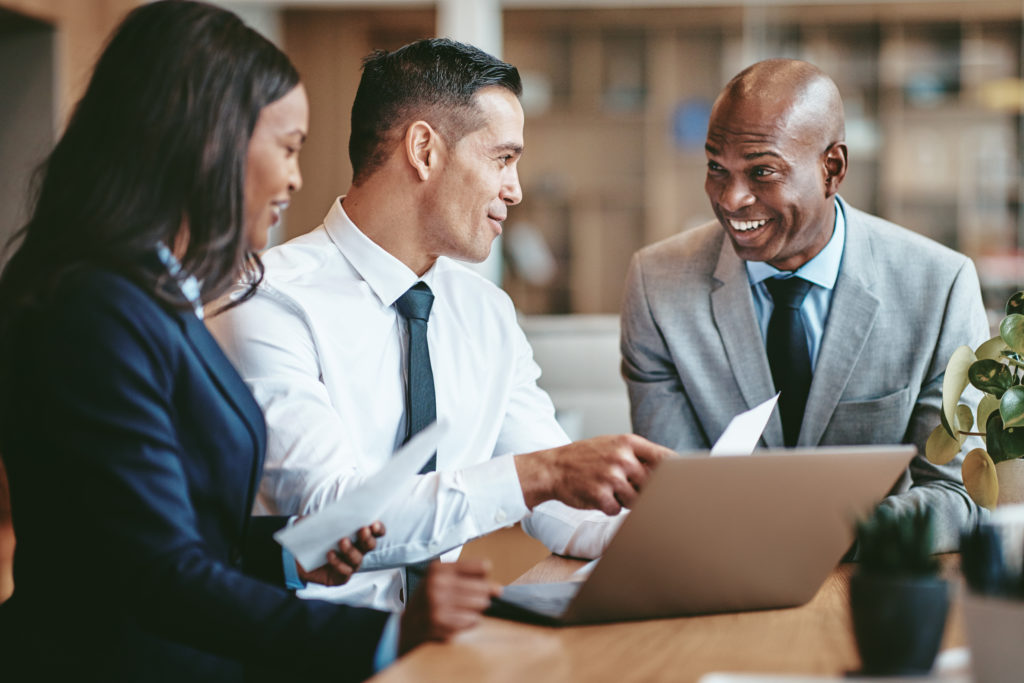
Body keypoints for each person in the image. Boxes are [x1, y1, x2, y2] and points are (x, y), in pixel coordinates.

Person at [0, 3, 497, 681]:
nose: (295, 179)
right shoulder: (92, 308)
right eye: (288, 147)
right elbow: (153, 571)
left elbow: (173, 528)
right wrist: (384, 636)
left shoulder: (152, 293)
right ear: (209, 141)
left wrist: (287, 556)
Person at [207, 38, 675, 611]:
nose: (516, 189)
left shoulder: (486, 311)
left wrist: (682, 533)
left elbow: (558, 507)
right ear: (424, 150)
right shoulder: (268, 301)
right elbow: (332, 521)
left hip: (442, 645)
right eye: (503, 158)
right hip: (318, 652)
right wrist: (542, 473)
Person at [620, 58, 989, 552]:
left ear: (831, 168)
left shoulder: (939, 287)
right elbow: (674, 492)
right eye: (715, 168)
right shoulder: (657, 284)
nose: (731, 198)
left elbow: (957, 497)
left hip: (868, 580)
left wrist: (814, 535)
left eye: (762, 171)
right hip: (719, 580)